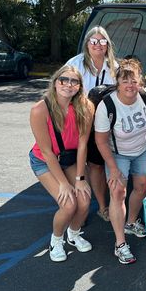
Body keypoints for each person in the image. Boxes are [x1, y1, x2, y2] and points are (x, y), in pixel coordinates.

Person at [94, 59, 146, 264]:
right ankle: (120, 243)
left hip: (142, 150)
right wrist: (112, 169)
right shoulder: (108, 105)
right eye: (125, 81)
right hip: (118, 154)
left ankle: (131, 222)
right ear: (118, 83)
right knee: (118, 192)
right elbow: (101, 141)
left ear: (140, 81)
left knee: (141, 187)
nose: (130, 85)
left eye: (134, 80)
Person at [29, 65, 93, 262]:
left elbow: (83, 145)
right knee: (68, 204)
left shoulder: (86, 107)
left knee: (84, 199)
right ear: (55, 82)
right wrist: (64, 184)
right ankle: (56, 240)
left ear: (80, 86)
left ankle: (73, 234)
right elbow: (47, 152)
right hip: (44, 161)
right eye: (63, 80)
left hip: (69, 159)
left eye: (74, 81)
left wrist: (80, 178)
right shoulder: (40, 110)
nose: (68, 84)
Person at [66, 26, 117, 222]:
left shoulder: (114, 67)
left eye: (102, 41)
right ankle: (79, 209)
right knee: (76, 165)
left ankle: (102, 206)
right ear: (87, 44)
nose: (98, 45)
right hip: (77, 120)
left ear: (107, 45)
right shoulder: (75, 64)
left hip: (103, 124)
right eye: (93, 41)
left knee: (95, 166)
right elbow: (62, 88)